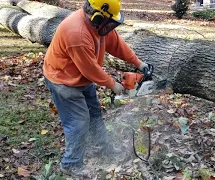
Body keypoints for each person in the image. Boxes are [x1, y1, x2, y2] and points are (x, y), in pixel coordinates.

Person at [42, 0, 150, 178]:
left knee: (94, 114)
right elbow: (90, 68)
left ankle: (103, 150)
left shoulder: (99, 25)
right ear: (98, 17)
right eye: (110, 22)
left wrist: (138, 63)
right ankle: (71, 164)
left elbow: (116, 43)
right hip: (63, 80)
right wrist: (113, 85)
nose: (111, 26)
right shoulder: (76, 32)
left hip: (82, 78)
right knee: (79, 122)